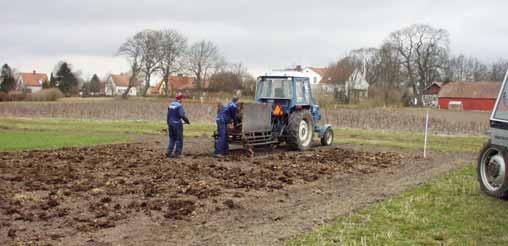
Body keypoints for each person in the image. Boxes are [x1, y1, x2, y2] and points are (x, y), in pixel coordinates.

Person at [166, 93, 190, 158]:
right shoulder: (179, 106)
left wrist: (168, 123)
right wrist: (187, 121)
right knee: (179, 139)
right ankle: (178, 154)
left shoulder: (170, 105)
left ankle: (168, 152)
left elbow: (168, 115)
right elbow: (182, 115)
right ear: (180, 99)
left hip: (170, 124)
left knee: (172, 138)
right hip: (177, 124)